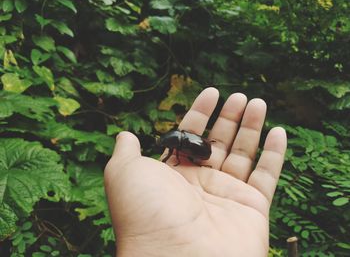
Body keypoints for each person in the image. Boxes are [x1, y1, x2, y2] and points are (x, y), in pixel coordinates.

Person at [104, 88, 287, 257]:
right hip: (203, 148)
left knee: (184, 158)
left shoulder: (176, 148)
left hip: (203, 152)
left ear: (172, 143)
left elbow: (173, 154)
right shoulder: (181, 138)